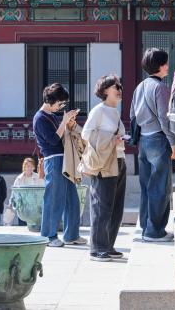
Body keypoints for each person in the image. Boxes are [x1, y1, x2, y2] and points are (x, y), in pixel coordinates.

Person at [130, 48, 175, 242]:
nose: (168, 66)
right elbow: (164, 119)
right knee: (160, 186)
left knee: (146, 186)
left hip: (143, 140)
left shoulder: (140, 86)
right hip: (159, 140)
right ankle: (155, 231)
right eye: (166, 63)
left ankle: (146, 226)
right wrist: (173, 144)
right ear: (160, 65)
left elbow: (132, 115)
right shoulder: (161, 88)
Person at [33, 83, 88, 248]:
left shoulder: (51, 116)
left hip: (65, 159)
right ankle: (48, 236)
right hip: (53, 159)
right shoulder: (40, 117)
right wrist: (64, 122)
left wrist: (68, 122)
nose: (61, 106)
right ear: (51, 100)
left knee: (72, 199)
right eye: (60, 103)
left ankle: (72, 235)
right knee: (53, 199)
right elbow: (53, 140)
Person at [80, 75, 127, 262]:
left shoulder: (114, 111)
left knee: (116, 206)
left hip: (118, 160)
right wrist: (109, 139)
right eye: (116, 86)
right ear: (105, 90)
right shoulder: (98, 110)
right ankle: (97, 248)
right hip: (103, 163)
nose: (120, 89)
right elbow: (86, 134)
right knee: (102, 206)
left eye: (120, 86)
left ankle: (108, 245)